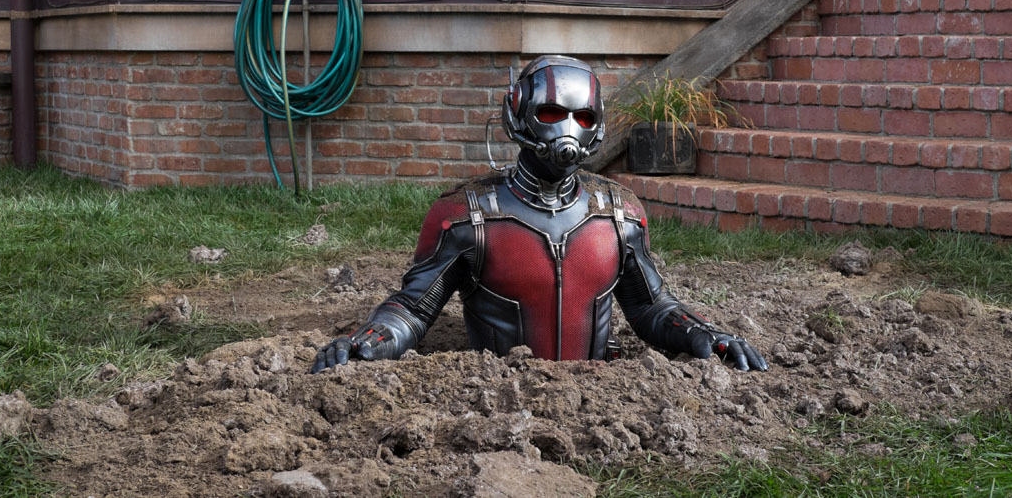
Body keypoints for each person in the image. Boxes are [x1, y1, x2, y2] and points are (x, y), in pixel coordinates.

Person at [312, 55, 767, 372]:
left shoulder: (620, 214)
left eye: (583, 117)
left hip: (599, 396)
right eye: (551, 112)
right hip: (496, 399)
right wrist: (372, 340)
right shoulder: (466, 216)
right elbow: (414, 309)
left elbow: (650, 305)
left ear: (597, 124)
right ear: (519, 113)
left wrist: (702, 333)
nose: (568, 129)